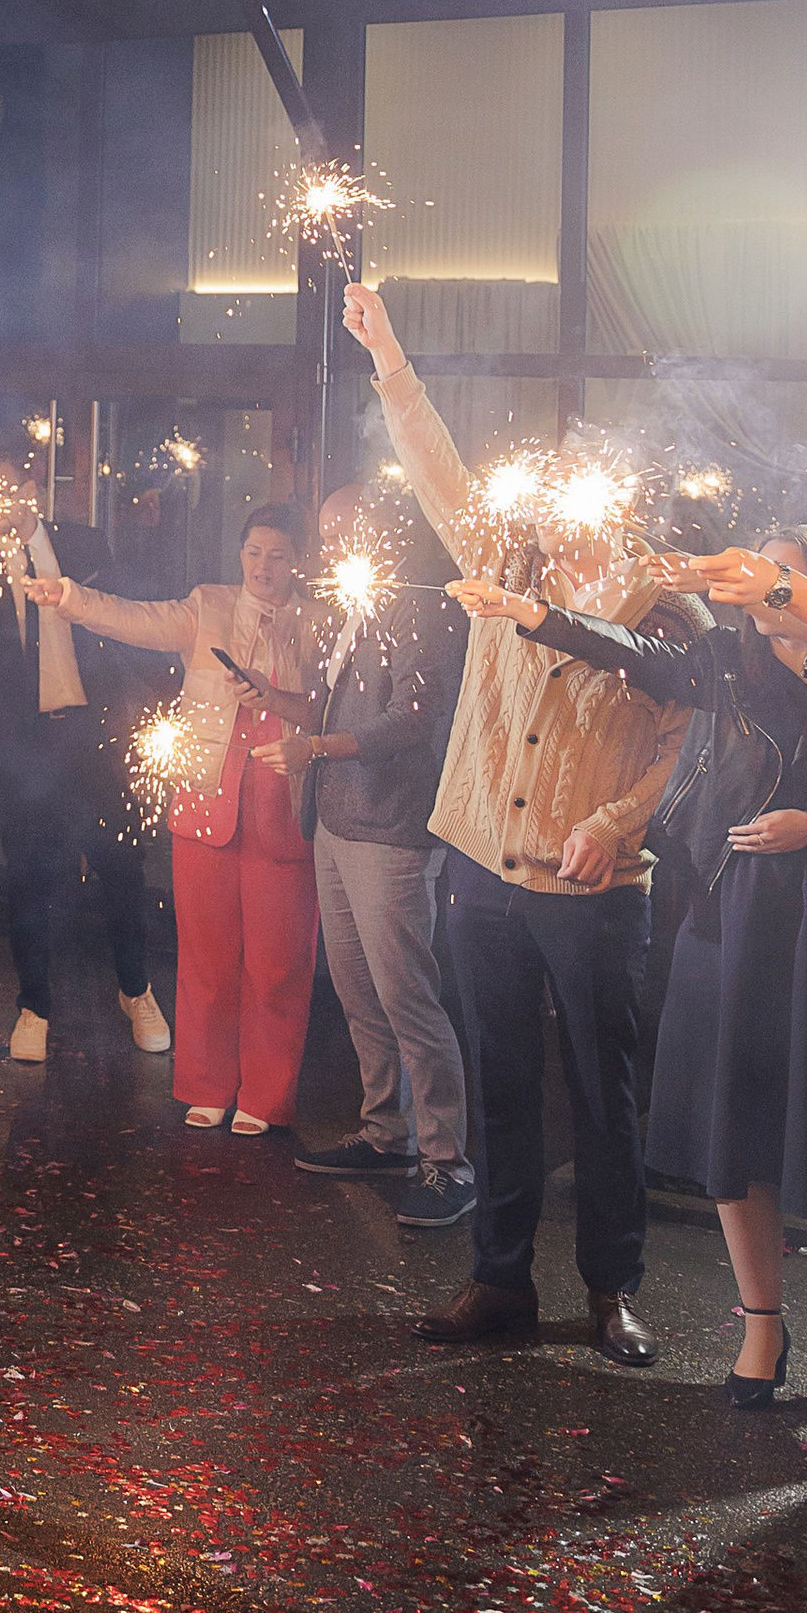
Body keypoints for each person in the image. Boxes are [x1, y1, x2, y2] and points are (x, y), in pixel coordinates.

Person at [341, 283, 706, 1361]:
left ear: (615, 506)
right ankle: (498, 1280)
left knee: (602, 1093)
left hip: (594, 886)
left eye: (567, 499)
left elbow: (676, 749)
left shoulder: (664, 605)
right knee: (500, 1082)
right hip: (482, 871)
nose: (546, 516)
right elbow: (432, 462)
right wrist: (388, 353)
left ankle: (611, 1290)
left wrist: (614, 821)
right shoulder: (499, 557)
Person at [600, 531, 807, 1404]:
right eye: (753, 567)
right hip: (729, 914)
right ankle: (762, 1332)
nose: (756, 581)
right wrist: (535, 616)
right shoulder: (721, 661)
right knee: (734, 1132)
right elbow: (622, 648)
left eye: (782, 571)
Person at [24, 504, 320, 1130]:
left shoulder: (324, 618)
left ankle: (266, 1095)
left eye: (278, 555)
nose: (264, 566)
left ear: (299, 561)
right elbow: (137, 619)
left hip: (280, 802)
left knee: (276, 962)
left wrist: (277, 695)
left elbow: (332, 707)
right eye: (254, 552)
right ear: (239, 555)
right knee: (207, 955)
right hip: (205, 796)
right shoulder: (208, 605)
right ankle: (208, 1083)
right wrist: (68, 598)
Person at [0, 444, 169, 1063]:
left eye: (4, 484)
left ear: (29, 486)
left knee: (119, 864)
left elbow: (130, 615)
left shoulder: (84, 543)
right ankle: (34, 1005)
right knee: (29, 874)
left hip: (97, 734)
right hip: (20, 746)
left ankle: (136, 988)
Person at [264, 484, 471, 1224]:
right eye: (324, 530)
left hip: (392, 830)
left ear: (384, 531)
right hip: (337, 823)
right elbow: (334, 708)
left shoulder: (423, 606)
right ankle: (388, 1134)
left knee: (406, 996)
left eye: (342, 529)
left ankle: (449, 1160)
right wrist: (276, 698)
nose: (328, 546)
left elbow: (413, 721)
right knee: (358, 993)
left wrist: (313, 745)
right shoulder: (359, 603)